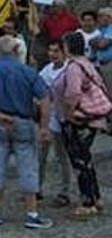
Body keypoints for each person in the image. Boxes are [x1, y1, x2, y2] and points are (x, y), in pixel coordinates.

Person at [0, 35, 53, 229]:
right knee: (28, 166)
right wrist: (44, 127)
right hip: (23, 121)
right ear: (16, 52)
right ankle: (32, 213)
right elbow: (44, 99)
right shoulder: (28, 72)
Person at [55, 32, 110, 219]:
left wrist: (69, 114)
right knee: (86, 159)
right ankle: (95, 197)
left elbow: (72, 93)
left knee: (79, 160)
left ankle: (87, 202)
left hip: (79, 119)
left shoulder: (73, 68)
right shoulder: (87, 64)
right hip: (91, 118)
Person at [37, 41, 73, 208]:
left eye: (56, 51)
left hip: (62, 118)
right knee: (41, 155)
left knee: (62, 156)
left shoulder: (69, 70)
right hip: (48, 117)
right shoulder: (47, 69)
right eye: (50, 51)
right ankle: (37, 188)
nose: (53, 54)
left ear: (63, 52)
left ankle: (64, 191)